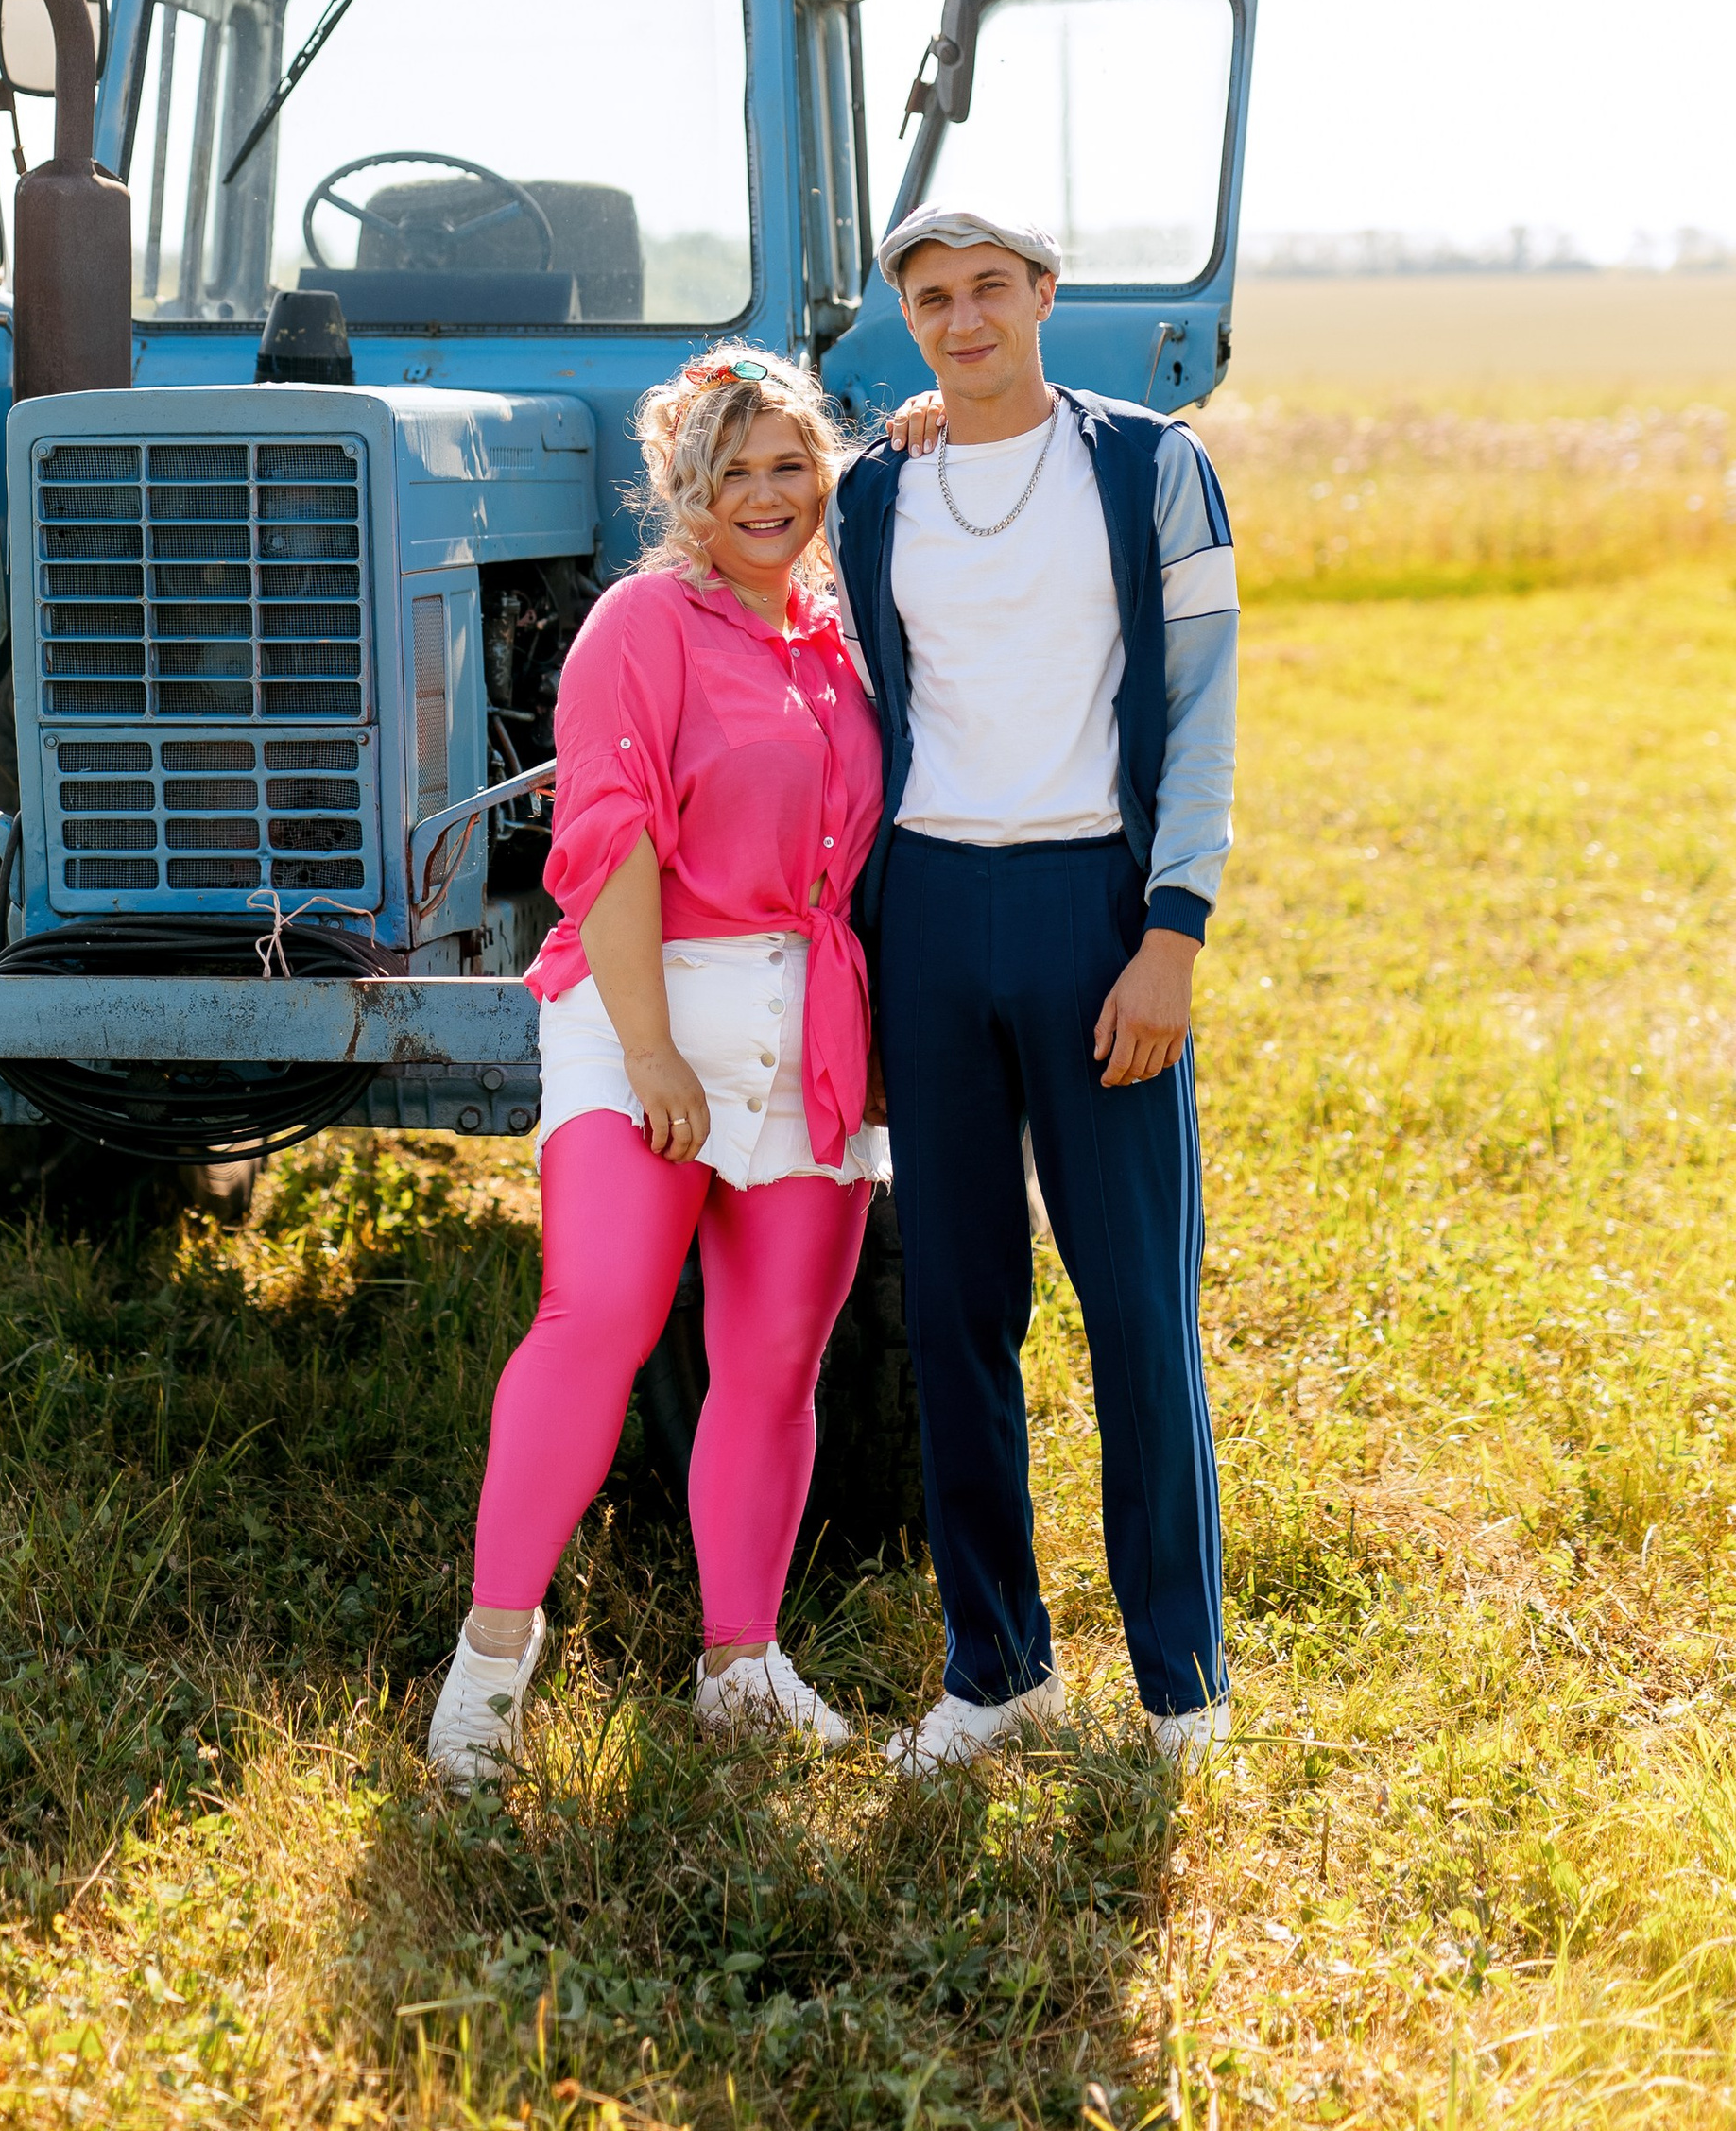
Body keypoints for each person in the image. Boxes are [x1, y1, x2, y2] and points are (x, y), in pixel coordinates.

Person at [428, 347, 888, 1788]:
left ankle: (741, 1663)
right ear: (686, 488)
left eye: (791, 464)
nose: (767, 494)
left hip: (811, 1016)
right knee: (603, 1315)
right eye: (735, 469)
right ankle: (488, 1673)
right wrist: (649, 1052)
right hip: (651, 1002)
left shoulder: (841, 637)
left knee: (774, 1360)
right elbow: (609, 841)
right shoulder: (643, 624)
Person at [829, 208, 1239, 1774]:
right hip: (930, 910)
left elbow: (1203, 703)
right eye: (932, 299)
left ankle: (1182, 1692)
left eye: (991, 288)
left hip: (1093, 908)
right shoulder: (879, 491)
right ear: (909, 323)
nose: (963, 317)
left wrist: (1173, 933)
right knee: (953, 1311)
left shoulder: (1148, 466)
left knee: (1137, 1306)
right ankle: (996, 1672)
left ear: (1046, 296)